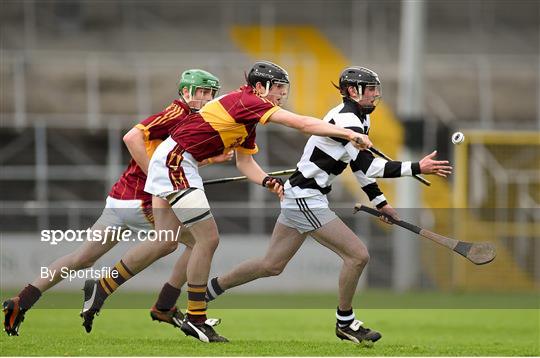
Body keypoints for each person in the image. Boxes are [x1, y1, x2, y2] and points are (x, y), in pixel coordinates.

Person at [79, 60, 372, 343]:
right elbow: (302, 124)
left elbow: (245, 163)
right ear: (260, 86)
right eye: (279, 88)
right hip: (177, 163)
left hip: (173, 161)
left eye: (285, 89)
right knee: (207, 239)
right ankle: (196, 318)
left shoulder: (248, 117)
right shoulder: (249, 101)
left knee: (164, 242)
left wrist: (268, 181)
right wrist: (347, 133)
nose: (283, 94)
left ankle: (101, 288)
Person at [203, 66, 453, 345]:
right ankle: (345, 323)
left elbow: (359, 167)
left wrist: (381, 203)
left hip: (303, 195)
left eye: (375, 89)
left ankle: (206, 292)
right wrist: (418, 166)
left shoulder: (358, 119)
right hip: (306, 197)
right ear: (352, 91)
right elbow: (372, 166)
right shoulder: (347, 119)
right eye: (369, 90)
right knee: (358, 255)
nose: (375, 95)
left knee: (271, 265)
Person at [2, 69, 230, 336]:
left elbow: (172, 159)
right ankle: (164, 304)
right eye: (200, 92)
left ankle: (21, 301)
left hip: (121, 198)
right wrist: (158, 178)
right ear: (185, 92)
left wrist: (209, 160)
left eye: (210, 93)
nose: (205, 98)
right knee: (197, 242)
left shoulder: (192, 121)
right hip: (140, 200)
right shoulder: (178, 113)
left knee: (81, 258)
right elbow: (132, 137)